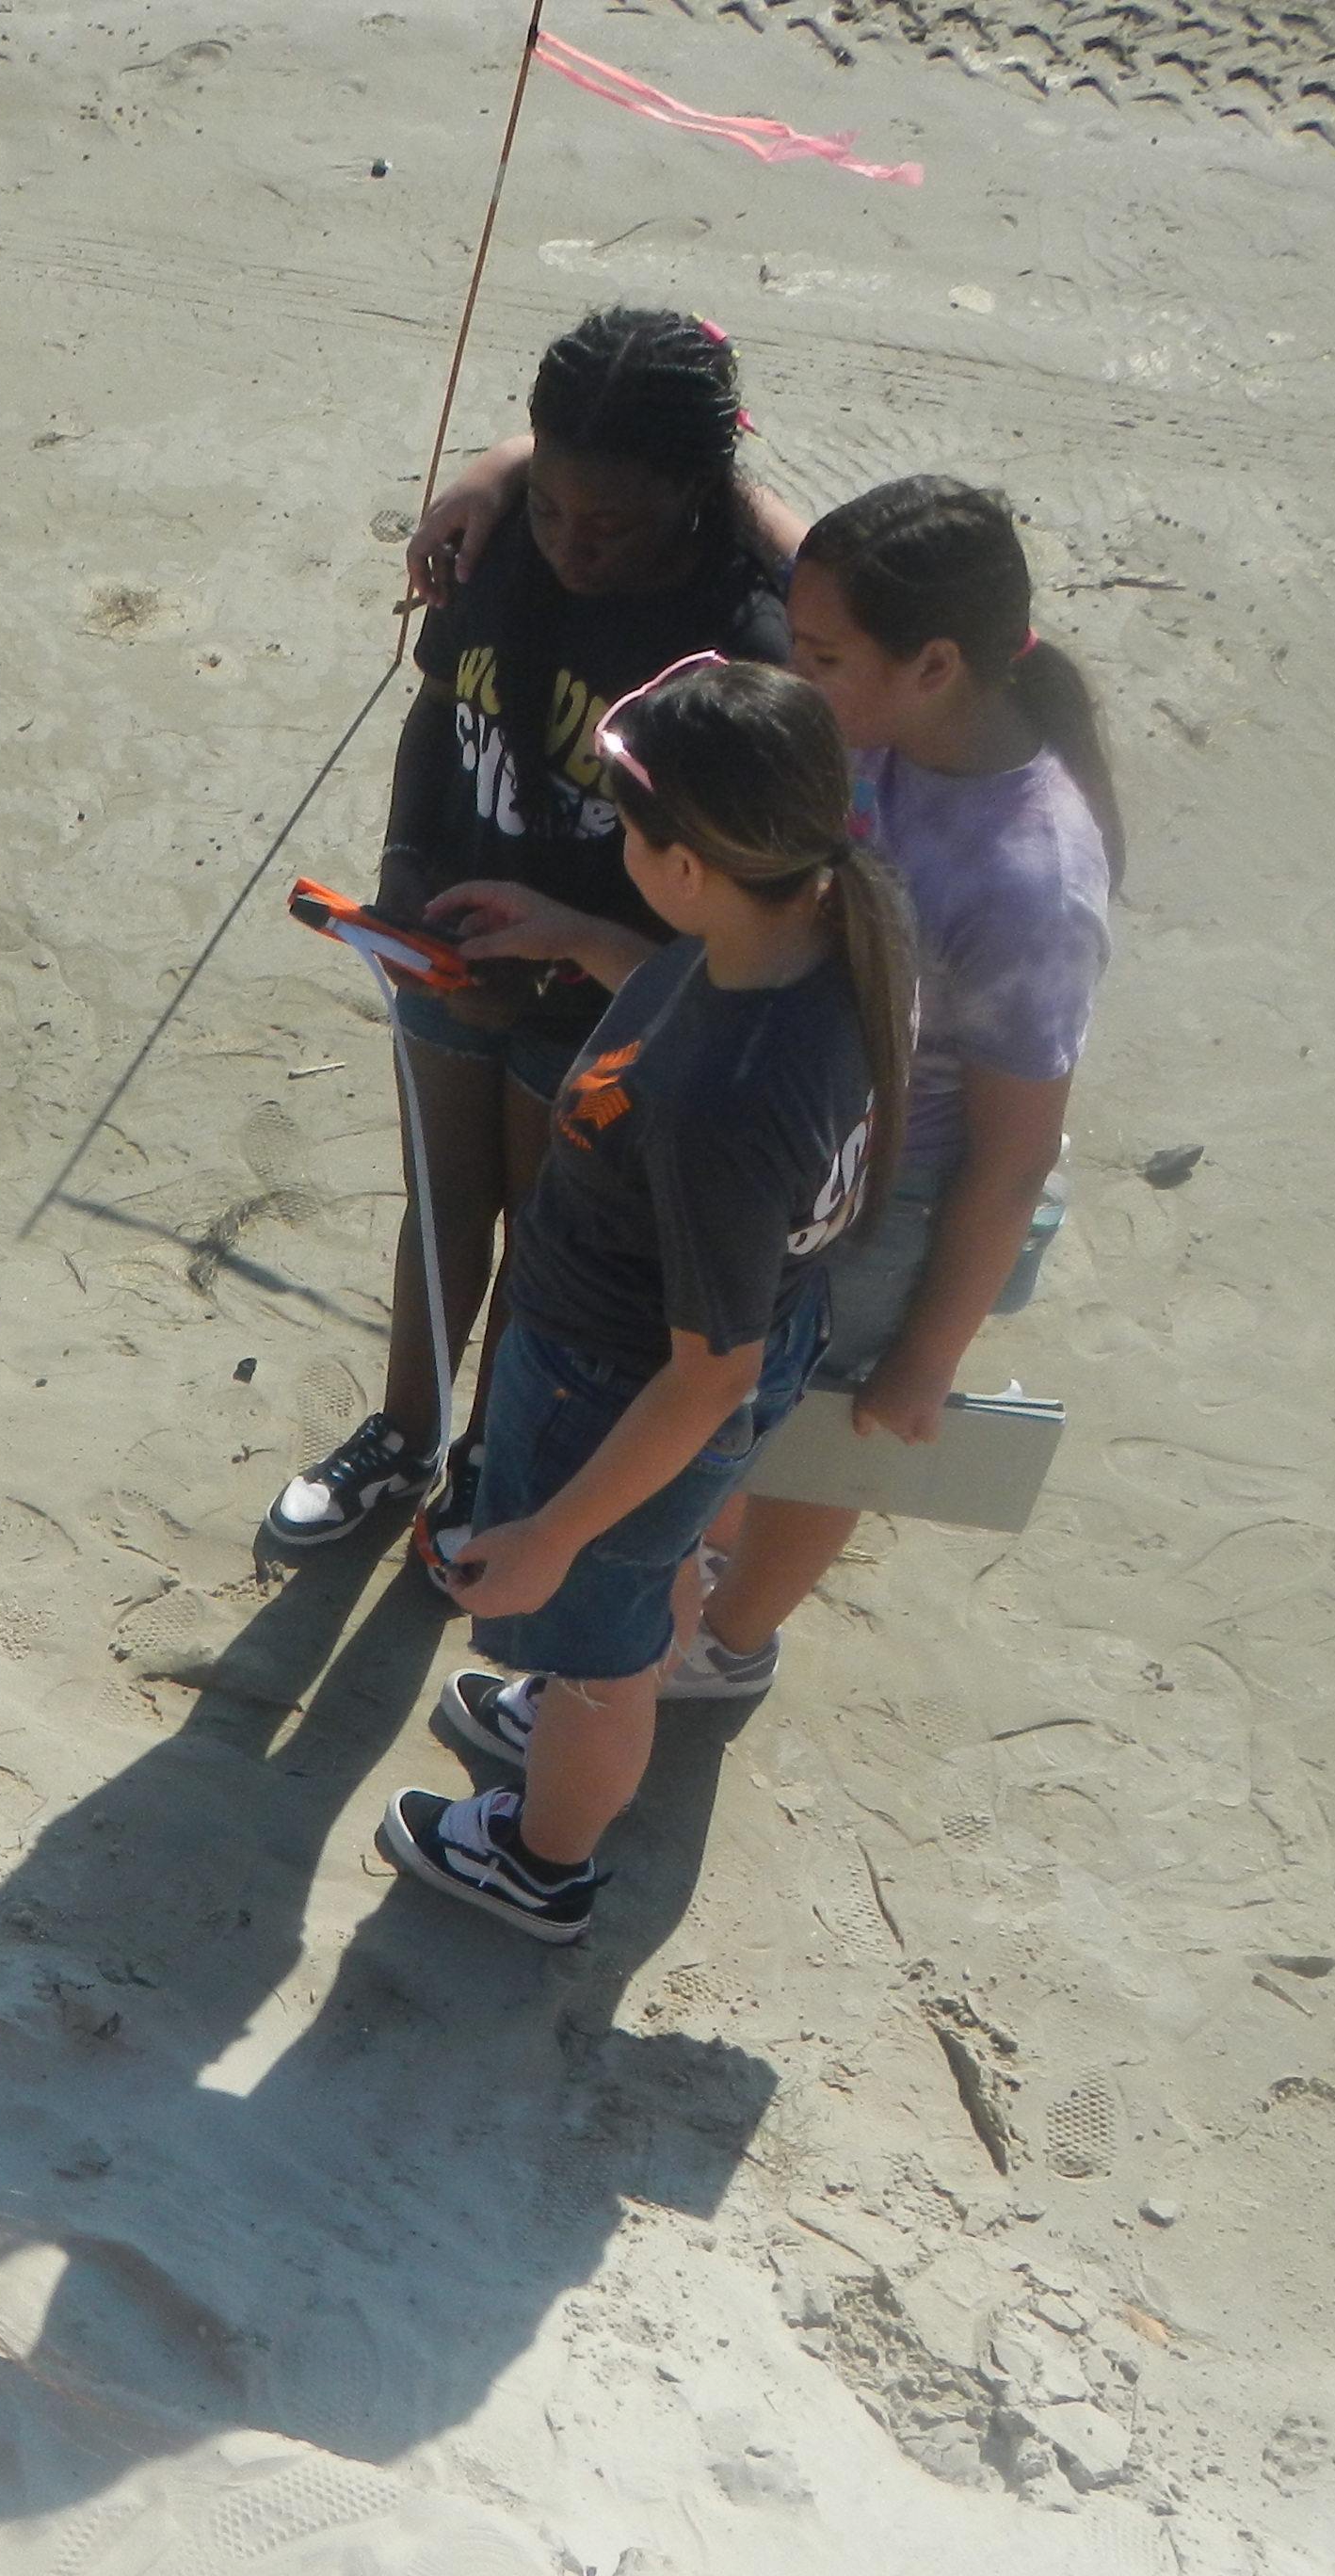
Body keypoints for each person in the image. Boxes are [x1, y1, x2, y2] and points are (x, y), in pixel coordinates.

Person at [376, 656, 909, 1940]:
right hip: (704, 1355)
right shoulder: (807, 937)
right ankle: (601, 1664)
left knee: (603, 1663)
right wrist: (581, 940)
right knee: (649, 1578)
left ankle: (543, 1859)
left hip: (625, 1393)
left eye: (627, 827)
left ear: (688, 865)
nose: (616, 843)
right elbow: (678, 1009)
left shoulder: (728, 1105)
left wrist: (556, 1533)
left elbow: (705, 1378)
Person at [270, 307, 790, 1554]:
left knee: (547, 1237)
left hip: (607, 990)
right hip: (449, 934)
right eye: (552, 509)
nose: (571, 547)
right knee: (442, 1199)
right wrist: (402, 867)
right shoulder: (500, 546)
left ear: (692, 495)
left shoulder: (738, 645)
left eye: (607, 527)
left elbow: (721, 889)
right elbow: (437, 708)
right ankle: (406, 1435)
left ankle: (497, 1452)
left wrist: (566, 944)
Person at [668, 475, 1123, 1695]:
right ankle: (695, 1582)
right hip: (813, 1146)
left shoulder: (1028, 886)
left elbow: (1013, 1155)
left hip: (900, 1201)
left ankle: (727, 1645)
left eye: (819, 654)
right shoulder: (886, 727)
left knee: (828, 1434)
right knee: (747, 1403)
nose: (793, 671)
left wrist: (926, 1356)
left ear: (933, 666)